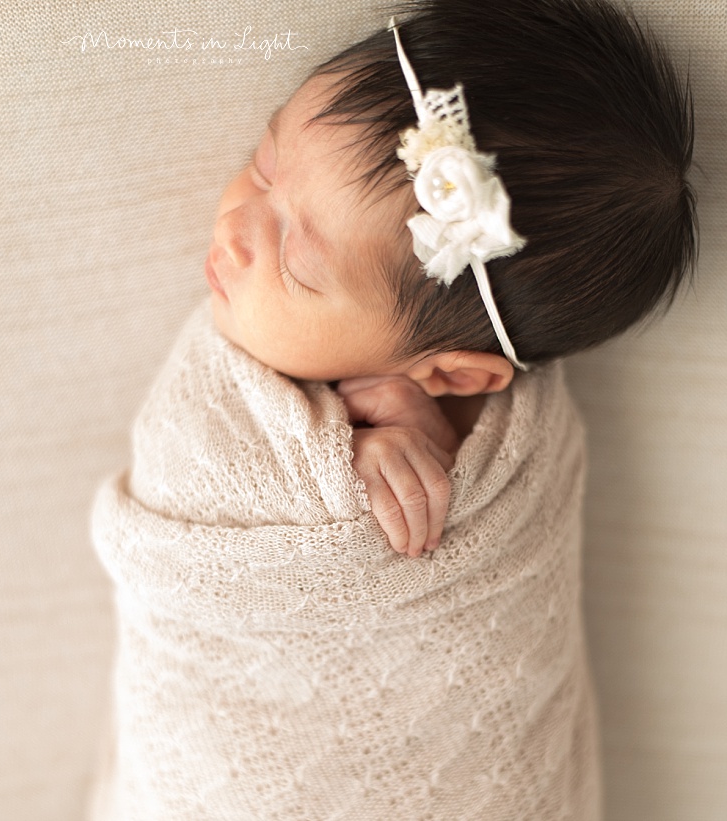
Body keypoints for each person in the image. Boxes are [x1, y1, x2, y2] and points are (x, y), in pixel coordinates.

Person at [90, 0, 695, 817]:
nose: (235, 229)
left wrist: (418, 446)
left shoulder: (512, 465)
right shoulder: (231, 408)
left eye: (300, 268)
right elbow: (194, 475)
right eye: (266, 166)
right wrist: (336, 456)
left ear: (454, 375)